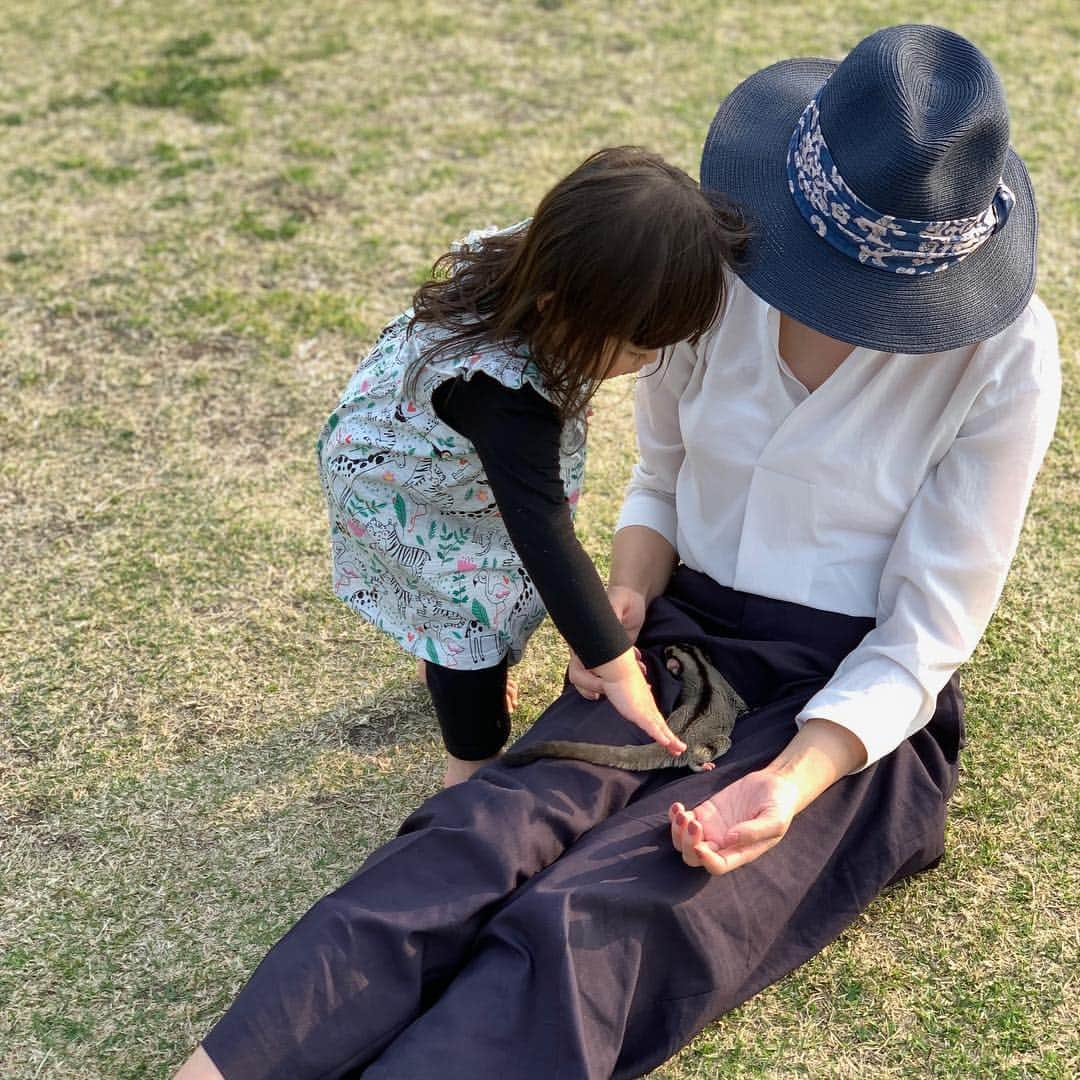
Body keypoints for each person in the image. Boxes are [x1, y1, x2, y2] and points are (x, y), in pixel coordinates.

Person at [175, 24, 1060, 1079]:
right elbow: (662, 477)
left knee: (600, 919)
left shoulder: (1006, 356)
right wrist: (632, 588)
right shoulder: (712, 274)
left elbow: (927, 637)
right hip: (676, 641)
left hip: (841, 700)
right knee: (476, 840)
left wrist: (787, 784)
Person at [316, 147, 747, 787]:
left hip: (431, 452)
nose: (644, 365)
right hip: (400, 486)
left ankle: (443, 657)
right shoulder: (506, 399)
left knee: (473, 593)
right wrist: (617, 665)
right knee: (470, 626)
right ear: (556, 305)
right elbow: (545, 537)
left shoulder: (549, 257)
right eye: (635, 348)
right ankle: (470, 771)